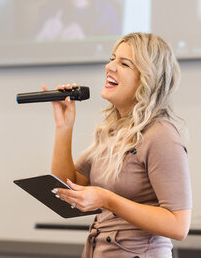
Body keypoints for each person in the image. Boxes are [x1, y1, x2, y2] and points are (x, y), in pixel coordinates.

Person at [43, 32, 192, 257]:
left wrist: (107, 199)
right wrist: (63, 128)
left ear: (147, 78)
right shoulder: (112, 132)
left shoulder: (161, 135)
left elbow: (178, 225)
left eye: (124, 63)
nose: (109, 66)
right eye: (112, 58)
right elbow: (65, 188)